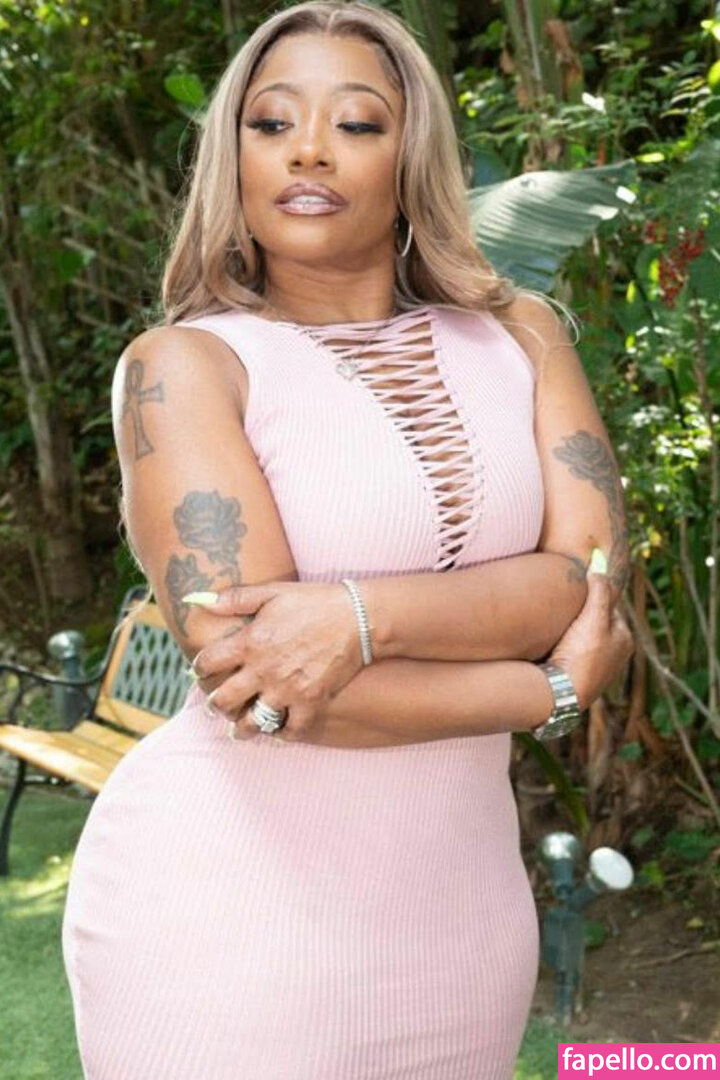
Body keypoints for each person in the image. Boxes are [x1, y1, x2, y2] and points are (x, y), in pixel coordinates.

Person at [61, 3, 634, 1077]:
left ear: (411, 157)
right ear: (233, 156)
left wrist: (352, 619)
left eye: (358, 123)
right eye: (272, 122)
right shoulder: (184, 368)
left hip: (464, 930)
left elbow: (587, 585)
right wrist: (548, 690)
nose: (310, 151)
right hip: (220, 924)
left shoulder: (522, 336)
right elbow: (267, 686)